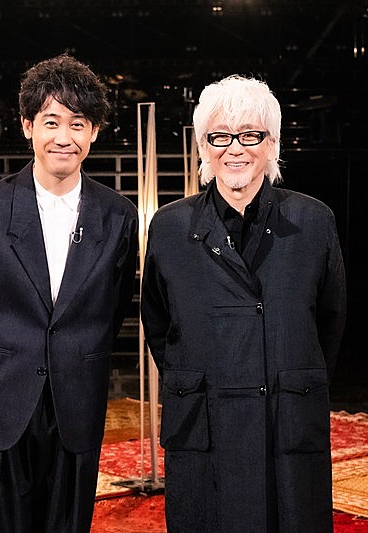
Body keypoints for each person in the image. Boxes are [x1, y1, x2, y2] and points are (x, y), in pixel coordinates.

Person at [0, 54, 138, 533]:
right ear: (28, 126)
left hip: (76, 403)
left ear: (95, 132)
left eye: (78, 123)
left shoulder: (119, 215)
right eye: (51, 121)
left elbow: (112, 311)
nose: (63, 137)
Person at [141, 75, 346, 532]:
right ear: (203, 146)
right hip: (204, 422)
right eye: (220, 136)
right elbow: (158, 322)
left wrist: (291, 375)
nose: (235, 149)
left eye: (250, 135)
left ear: (272, 143)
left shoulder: (313, 220)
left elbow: (330, 321)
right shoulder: (169, 227)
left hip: (287, 418)